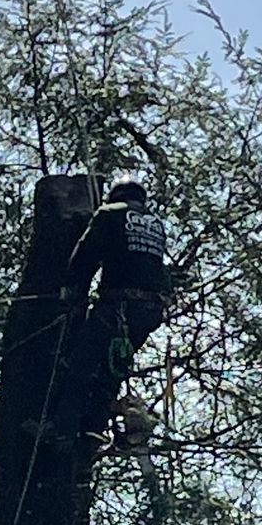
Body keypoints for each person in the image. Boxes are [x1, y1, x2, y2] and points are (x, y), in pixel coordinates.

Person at [68, 178, 168, 440]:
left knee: (80, 363)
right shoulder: (156, 224)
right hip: (150, 310)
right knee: (112, 368)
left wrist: (71, 290)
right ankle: (93, 428)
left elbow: (85, 256)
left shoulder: (109, 214)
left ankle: (60, 428)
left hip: (118, 305)